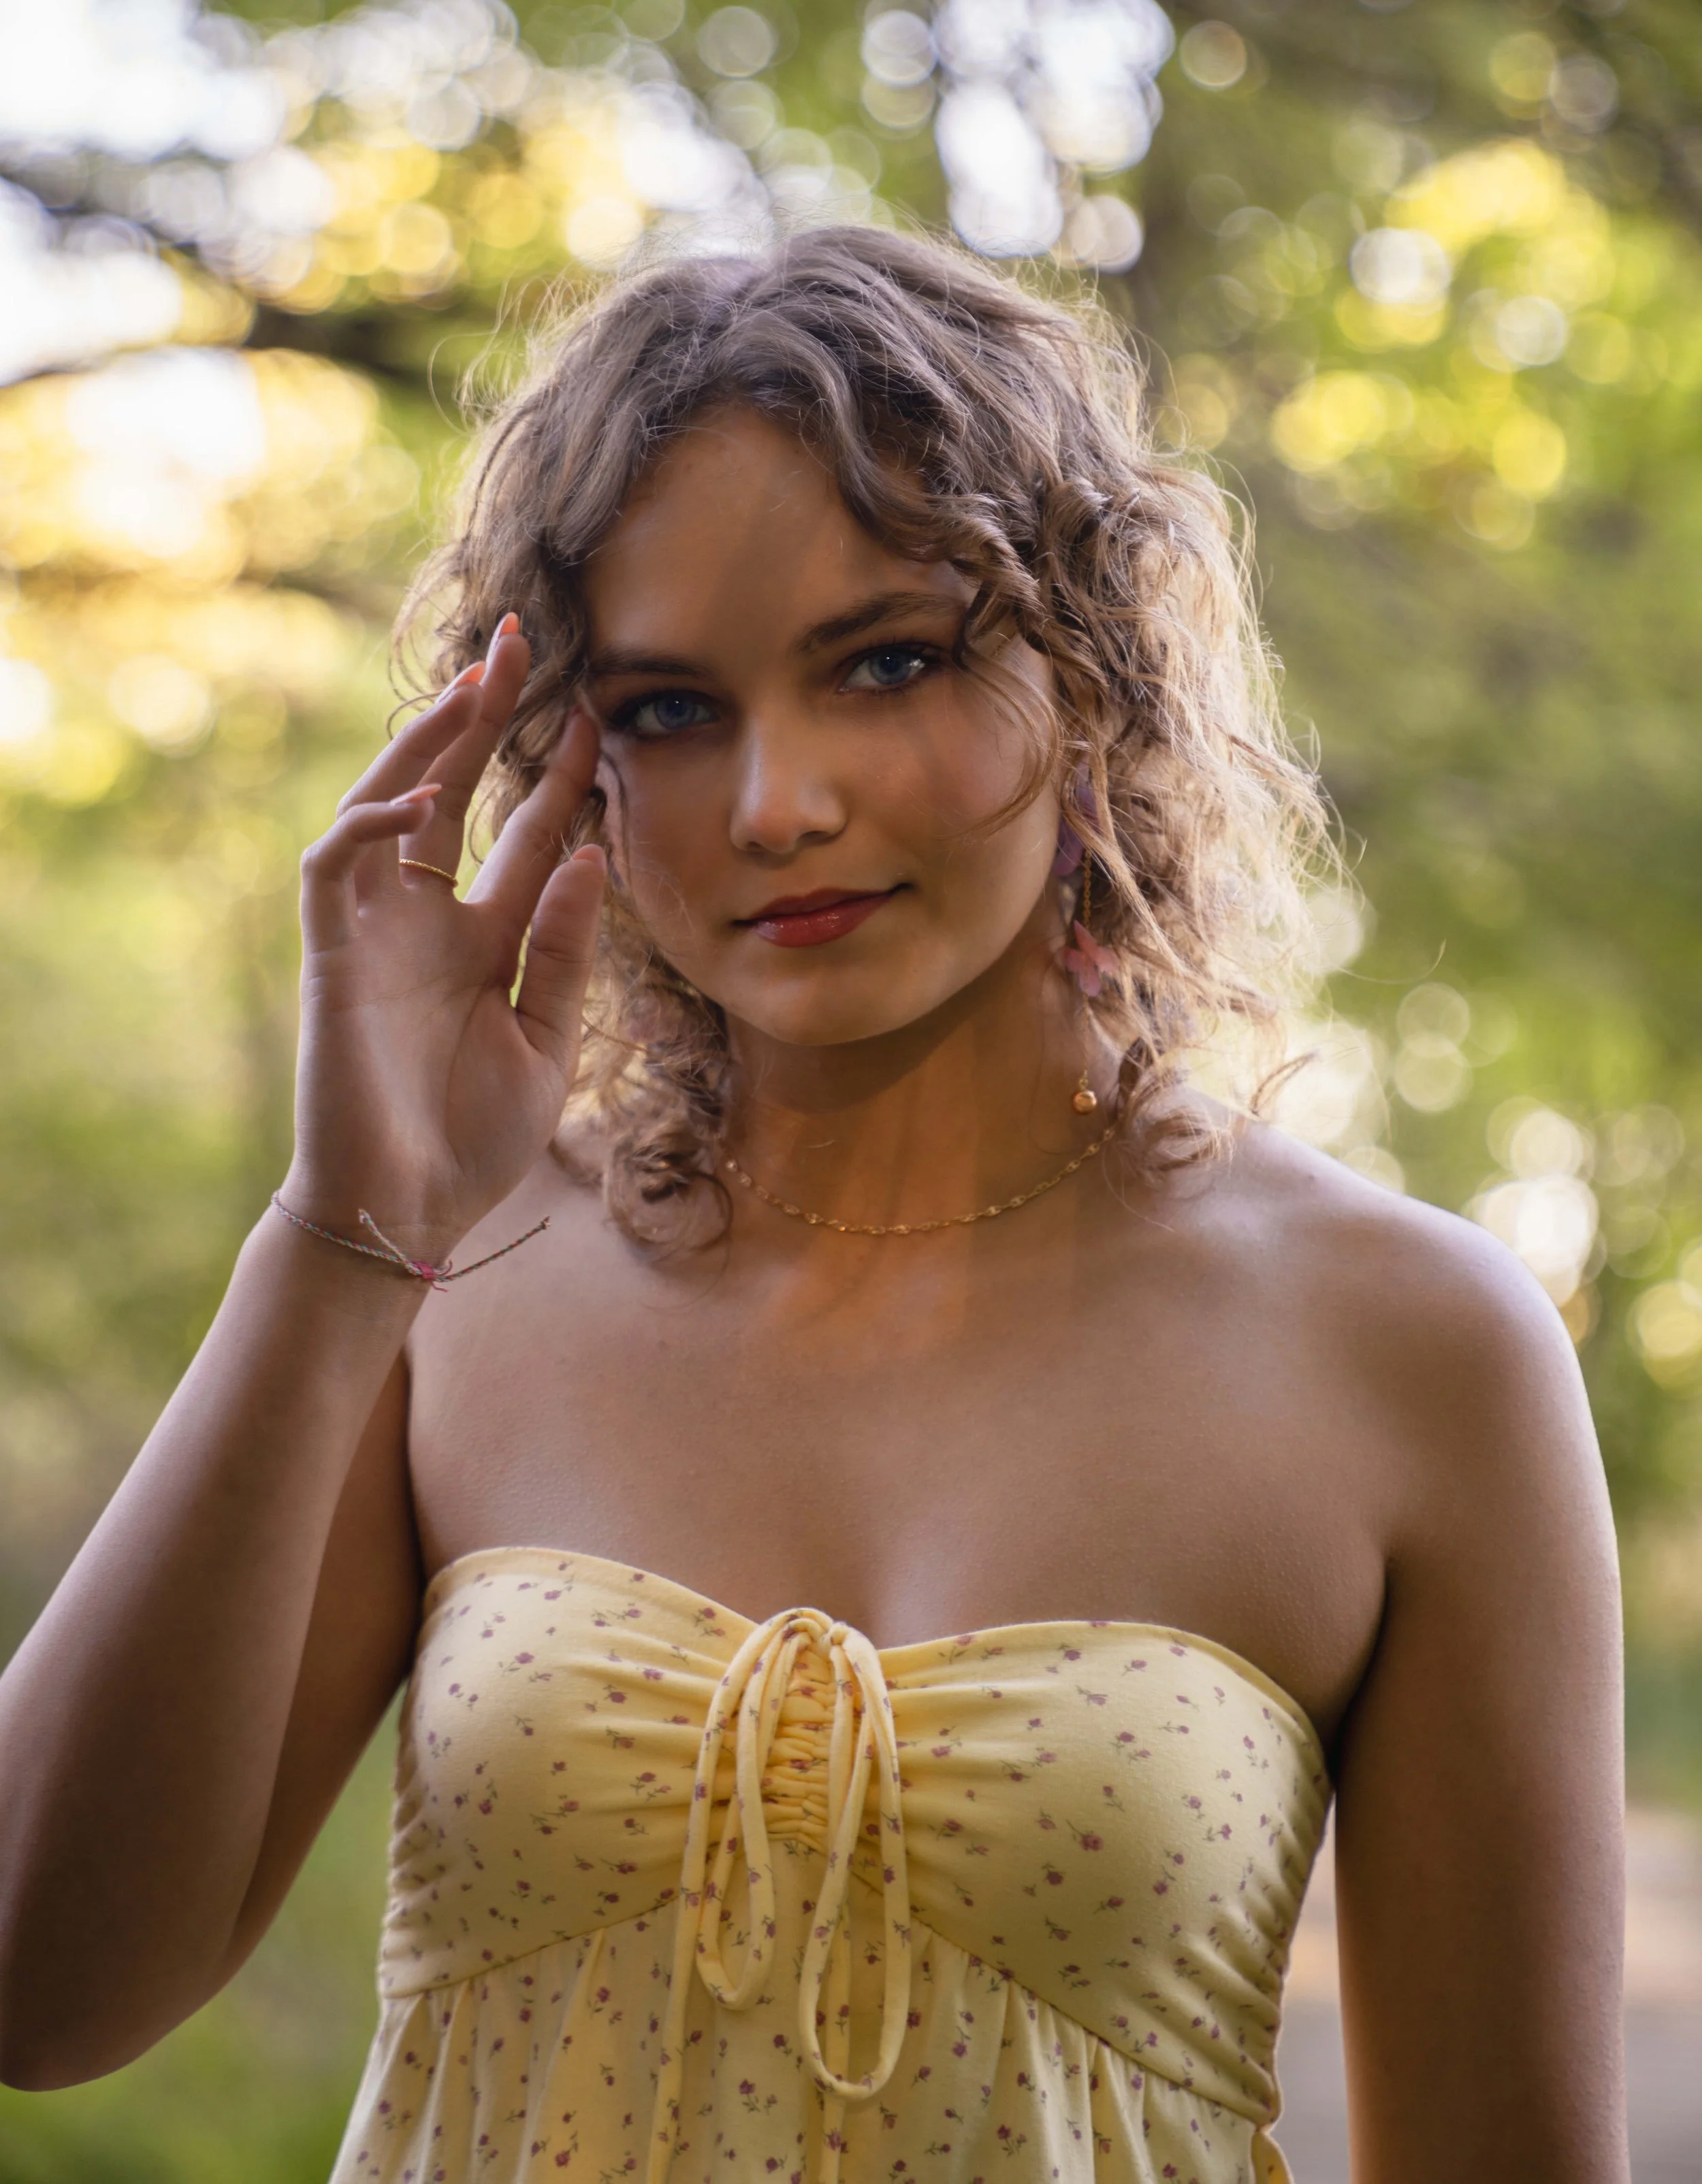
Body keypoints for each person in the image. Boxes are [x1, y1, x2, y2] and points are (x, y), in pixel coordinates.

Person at [0, 228, 1626, 2183]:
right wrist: (337, 1234)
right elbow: (39, 1988)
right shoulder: (451, 1262)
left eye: (887, 660)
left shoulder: (1411, 1345)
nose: (777, 802)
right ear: (560, 763)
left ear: (1089, 671)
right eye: (672, 710)